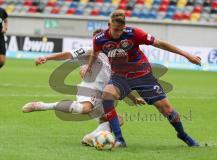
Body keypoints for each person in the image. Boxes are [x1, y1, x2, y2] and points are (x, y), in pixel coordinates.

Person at [85, 10, 201, 147]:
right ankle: (120, 139)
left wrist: (188, 55)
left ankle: (183, 135)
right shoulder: (99, 39)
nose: (118, 33)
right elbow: (95, 53)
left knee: (167, 110)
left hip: (142, 75)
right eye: (115, 30)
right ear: (108, 24)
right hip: (120, 76)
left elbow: (160, 43)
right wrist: (89, 67)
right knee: (107, 96)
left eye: (121, 30)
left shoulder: (134, 33)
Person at [22, 29, 145, 146]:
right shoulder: (90, 51)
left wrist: (133, 98)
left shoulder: (113, 60)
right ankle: (42, 105)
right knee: (85, 108)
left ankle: (90, 137)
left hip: (102, 98)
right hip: (89, 89)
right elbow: (68, 54)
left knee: (117, 120)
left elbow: (118, 83)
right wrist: (47, 58)